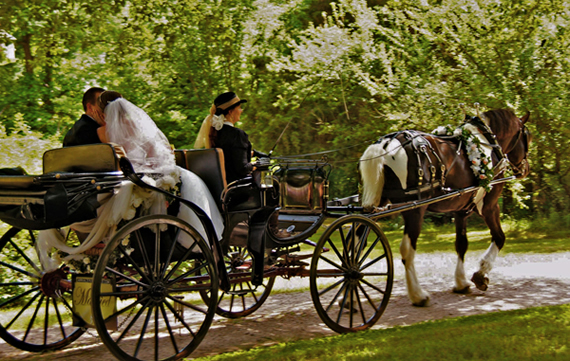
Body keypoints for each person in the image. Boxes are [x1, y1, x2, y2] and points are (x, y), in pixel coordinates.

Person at [97, 91, 224, 244]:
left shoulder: (101, 132)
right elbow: (154, 151)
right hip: (149, 172)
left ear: (102, 111)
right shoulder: (138, 126)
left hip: (128, 175)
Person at [194, 91, 266, 183]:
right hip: (237, 187)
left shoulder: (215, 133)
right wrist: (258, 164)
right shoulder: (237, 135)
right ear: (231, 112)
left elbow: (229, 155)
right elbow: (242, 169)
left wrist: (253, 153)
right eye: (239, 107)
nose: (241, 110)